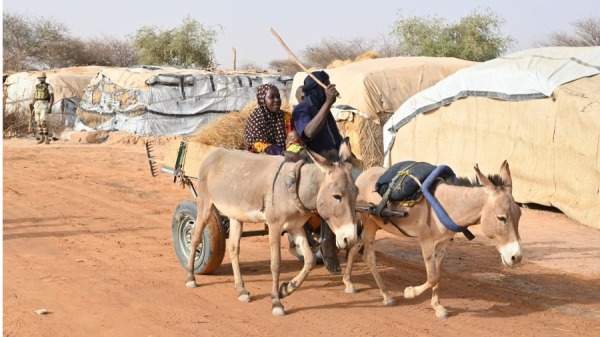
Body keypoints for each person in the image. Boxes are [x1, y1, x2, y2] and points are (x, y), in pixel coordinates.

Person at [292, 70, 344, 275]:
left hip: (333, 162)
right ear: (315, 89)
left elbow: (335, 136)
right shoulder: (302, 110)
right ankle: (328, 247)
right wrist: (328, 104)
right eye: (326, 85)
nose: (330, 88)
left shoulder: (325, 109)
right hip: (313, 163)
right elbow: (309, 134)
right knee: (329, 199)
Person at [244, 84, 300, 161]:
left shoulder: (286, 116)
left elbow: (293, 138)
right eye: (271, 97)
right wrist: (283, 153)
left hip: (287, 156)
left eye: (278, 96)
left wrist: (292, 149)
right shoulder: (256, 118)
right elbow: (257, 145)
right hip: (261, 159)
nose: (276, 100)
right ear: (262, 100)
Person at [29, 72, 54, 144]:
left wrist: (50, 107)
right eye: (40, 78)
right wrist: (32, 104)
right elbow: (34, 96)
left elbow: (52, 97)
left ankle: (46, 138)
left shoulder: (48, 86)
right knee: (38, 123)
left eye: (42, 78)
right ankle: (41, 138)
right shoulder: (36, 86)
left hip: (44, 104)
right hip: (37, 105)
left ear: (45, 78)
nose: (41, 79)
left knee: (43, 122)